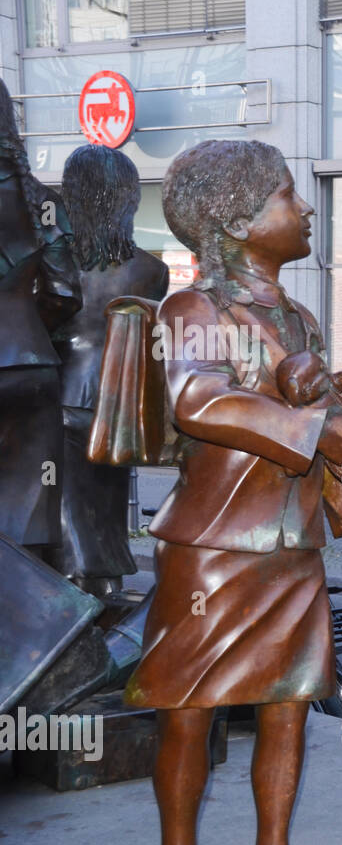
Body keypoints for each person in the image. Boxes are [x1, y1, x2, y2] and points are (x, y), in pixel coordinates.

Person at [123, 139, 342, 845]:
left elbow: (328, 444)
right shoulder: (191, 312)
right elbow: (201, 402)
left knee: (289, 708)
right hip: (213, 548)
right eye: (286, 195)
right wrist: (316, 430)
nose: (304, 209)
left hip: (292, 547)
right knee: (188, 710)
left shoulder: (300, 318)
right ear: (237, 221)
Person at [50, 144, 169, 596]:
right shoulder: (151, 271)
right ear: (128, 198)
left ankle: (74, 592)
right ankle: (107, 586)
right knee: (106, 500)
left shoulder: (57, 262)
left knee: (66, 503)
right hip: (115, 406)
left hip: (61, 394)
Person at [0, 78, 82, 554]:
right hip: (30, 367)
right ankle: (35, 621)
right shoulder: (43, 202)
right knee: (31, 512)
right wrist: (31, 334)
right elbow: (65, 292)